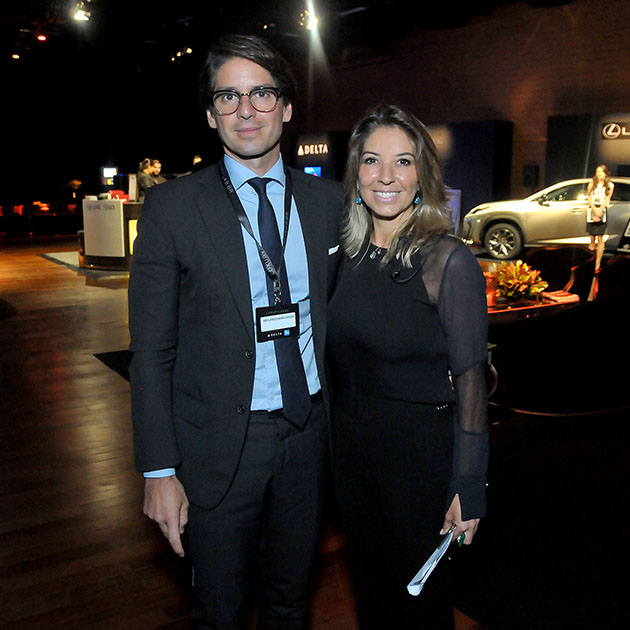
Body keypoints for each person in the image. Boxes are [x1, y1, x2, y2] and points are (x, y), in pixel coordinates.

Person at [128, 34, 343, 629]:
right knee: (219, 612)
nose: (246, 110)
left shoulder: (331, 204)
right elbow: (151, 352)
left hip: (308, 436)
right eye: (228, 97)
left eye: (262, 93)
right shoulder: (172, 209)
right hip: (218, 446)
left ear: (287, 107)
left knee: (291, 602)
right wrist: (158, 470)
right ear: (210, 114)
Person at [327, 104, 489, 629]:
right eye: (372, 160)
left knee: (421, 606)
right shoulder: (346, 256)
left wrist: (469, 484)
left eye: (403, 161)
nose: (386, 176)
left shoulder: (448, 261)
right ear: (356, 173)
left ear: (422, 175)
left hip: (421, 461)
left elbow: (472, 381)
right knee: (372, 594)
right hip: (353, 458)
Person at [587, 163, 614, 273]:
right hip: (592, 210)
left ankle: (597, 264)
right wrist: (595, 210)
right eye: (597, 172)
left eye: (602, 172)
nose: (599, 174)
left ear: (606, 173)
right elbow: (589, 198)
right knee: (592, 238)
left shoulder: (610, 185)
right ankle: (590, 262)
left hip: (602, 210)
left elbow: (607, 199)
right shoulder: (591, 184)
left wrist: (599, 212)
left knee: (600, 238)